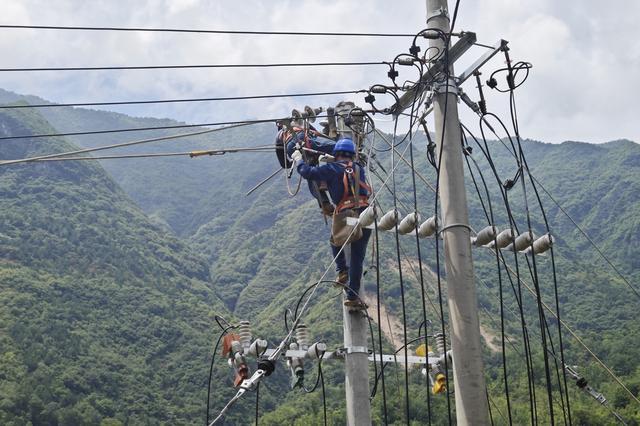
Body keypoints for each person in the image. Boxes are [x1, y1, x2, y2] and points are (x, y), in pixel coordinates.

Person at [292, 137, 371, 309]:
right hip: (365, 215)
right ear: (352, 155)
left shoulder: (332, 168)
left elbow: (308, 173)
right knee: (358, 258)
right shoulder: (359, 168)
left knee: (335, 240)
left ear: (336, 155)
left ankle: (342, 270)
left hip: (348, 216)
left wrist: (299, 160)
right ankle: (353, 296)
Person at [275, 124, 336, 215]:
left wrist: (297, 160)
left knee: (310, 173)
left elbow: (284, 164)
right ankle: (330, 177)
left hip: (290, 148)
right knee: (336, 147)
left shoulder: (278, 137)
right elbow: (315, 132)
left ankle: (324, 203)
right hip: (302, 138)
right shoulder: (297, 122)